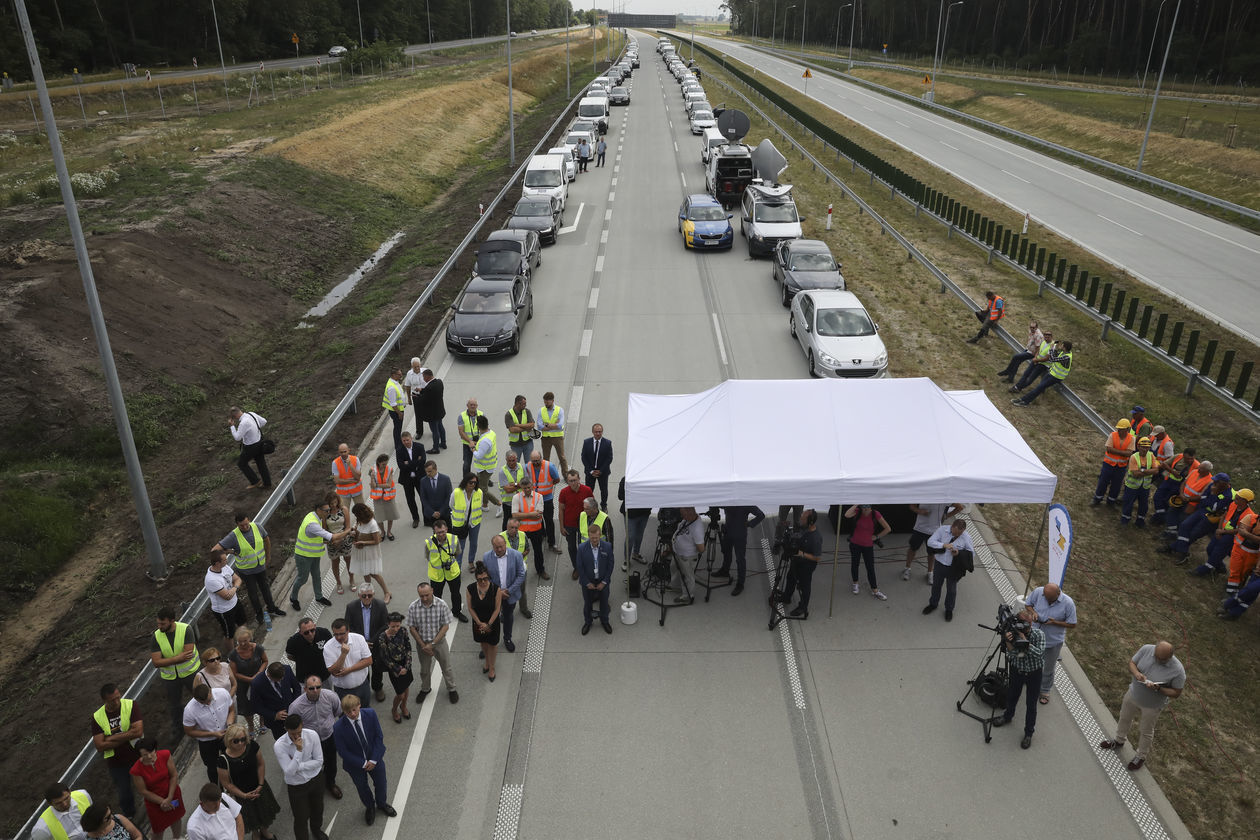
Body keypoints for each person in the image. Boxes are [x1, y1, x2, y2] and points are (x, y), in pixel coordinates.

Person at [1099, 641, 1187, 771]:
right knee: (1124, 718)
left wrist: (1159, 689)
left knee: (1145, 731)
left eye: (1161, 659)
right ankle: (1119, 740)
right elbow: (1132, 663)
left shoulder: (1178, 670)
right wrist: (1137, 674)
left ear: (1170, 657)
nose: (1157, 660)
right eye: (1156, 656)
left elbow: (1176, 692)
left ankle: (1141, 756)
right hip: (1133, 694)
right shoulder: (1147, 649)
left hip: (1152, 705)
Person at [332, 695, 397, 825]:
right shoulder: (338, 727)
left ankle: (382, 804)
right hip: (355, 765)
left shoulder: (371, 714)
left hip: (374, 758)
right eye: (348, 712)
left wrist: (373, 760)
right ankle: (370, 807)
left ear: (359, 705)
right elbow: (343, 751)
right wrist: (362, 763)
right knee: (362, 787)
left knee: (381, 783)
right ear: (344, 711)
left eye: (354, 710)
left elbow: (379, 737)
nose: (352, 714)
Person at [214, 512, 286, 627]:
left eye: (246, 524)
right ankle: (259, 614)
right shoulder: (233, 536)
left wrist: (268, 556)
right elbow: (215, 550)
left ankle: (272, 608)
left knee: (265, 588)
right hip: (246, 571)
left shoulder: (257, 527)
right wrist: (231, 552)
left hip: (260, 566)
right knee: (253, 593)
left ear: (249, 520)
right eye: (241, 525)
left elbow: (266, 539)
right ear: (237, 524)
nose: (245, 527)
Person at [989, 606, 1046, 749]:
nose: (1020, 627)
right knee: (1012, 696)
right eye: (1019, 622)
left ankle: (1028, 733)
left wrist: (1024, 641)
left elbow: (1039, 653)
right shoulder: (1013, 633)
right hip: (1017, 671)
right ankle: (1008, 716)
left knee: (1031, 705)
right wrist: (1008, 641)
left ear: (1030, 623)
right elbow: (1012, 655)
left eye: (1024, 624)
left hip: (1034, 674)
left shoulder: (1039, 635)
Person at [216, 724, 280, 840]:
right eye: (236, 741)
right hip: (241, 795)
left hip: (259, 787)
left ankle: (264, 831)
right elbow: (226, 783)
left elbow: (260, 764)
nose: (240, 743)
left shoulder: (252, 746)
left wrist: (260, 784)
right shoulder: (222, 761)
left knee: (264, 811)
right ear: (229, 741)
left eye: (243, 739)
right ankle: (256, 833)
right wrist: (244, 795)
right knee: (251, 818)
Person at [91, 683, 143, 819]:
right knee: (124, 792)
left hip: (137, 754)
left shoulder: (130, 705)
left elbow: (138, 731)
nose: (116, 702)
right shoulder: (97, 717)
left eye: (118, 697)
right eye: (112, 700)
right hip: (117, 762)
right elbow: (100, 746)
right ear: (104, 701)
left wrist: (111, 738)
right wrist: (127, 734)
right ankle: (130, 816)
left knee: (148, 782)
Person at [273, 715, 330, 840]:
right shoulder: (279, 745)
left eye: (299, 732)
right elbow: (289, 772)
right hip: (296, 786)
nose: (297, 736)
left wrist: (298, 765)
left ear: (302, 725)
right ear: (286, 729)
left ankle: (316, 830)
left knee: (318, 809)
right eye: (293, 733)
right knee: (301, 817)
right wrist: (298, 751)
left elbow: (319, 761)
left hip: (316, 779)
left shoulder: (312, 735)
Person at [285, 677, 342, 800]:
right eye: (311, 688)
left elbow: (337, 711)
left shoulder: (330, 696)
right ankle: (316, 787)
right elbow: (293, 726)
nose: (315, 690)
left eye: (318, 687)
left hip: (329, 736)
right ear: (305, 689)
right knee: (313, 765)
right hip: (310, 742)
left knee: (331, 762)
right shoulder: (296, 706)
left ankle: (330, 784)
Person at [150, 606, 202, 736]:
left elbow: (188, 654)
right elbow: (156, 662)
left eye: (163, 623)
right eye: (158, 623)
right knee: (175, 705)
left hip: (190, 673)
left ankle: (205, 720)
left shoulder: (185, 629)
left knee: (200, 695)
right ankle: (180, 730)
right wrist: (178, 658)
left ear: (172, 621)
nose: (159, 626)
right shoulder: (156, 637)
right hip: (170, 678)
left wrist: (167, 660)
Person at [290, 497, 350, 611]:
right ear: (319, 510)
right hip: (303, 556)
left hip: (313, 554)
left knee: (317, 575)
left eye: (328, 510)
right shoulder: (312, 524)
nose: (328, 512)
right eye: (326, 511)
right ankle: (293, 598)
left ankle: (319, 597)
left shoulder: (314, 516)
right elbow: (332, 537)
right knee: (302, 578)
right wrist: (348, 531)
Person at [406, 581, 459, 706]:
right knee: (424, 670)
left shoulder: (441, 604)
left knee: (446, 667)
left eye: (426, 595)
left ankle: (452, 689)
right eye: (421, 596)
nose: (424, 598)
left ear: (432, 592)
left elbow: (445, 626)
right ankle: (425, 688)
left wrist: (433, 643)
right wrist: (423, 645)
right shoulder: (413, 607)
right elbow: (412, 628)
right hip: (422, 644)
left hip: (439, 643)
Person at [1025, 583, 1077, 703]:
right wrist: (1033, 613)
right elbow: (1028, 604)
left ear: (1058, 594)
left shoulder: (1068, 603)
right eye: (1045, 597)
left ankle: (1044, 690)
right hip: (1034, 636)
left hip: (1052, 641)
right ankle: (1028, 680)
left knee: (1048, 668)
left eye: (1050, 598)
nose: (1047, 600)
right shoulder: (1039, 592)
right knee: (1030, 661)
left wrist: (1055, 622)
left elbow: (1072, 624)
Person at [129, 738, 185, 840]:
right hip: (154, 802)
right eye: (145, 755)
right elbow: (143, 791)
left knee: (176, 818)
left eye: (151, 752)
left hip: (172, 794)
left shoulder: (165, 755)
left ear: (155, 749)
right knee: (158, 829)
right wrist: (162, 802)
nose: (149, 756)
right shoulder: (136, 770)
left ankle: (177, 838)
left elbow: (173, 776)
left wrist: (169, 798)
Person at [922, 518, 975, 621]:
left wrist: (958, 553)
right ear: (952, 527)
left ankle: (949, 610)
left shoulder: (966, 537)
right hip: (939, 564)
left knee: (951, 590)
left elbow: (971, 554)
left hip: (953, 568)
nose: (956, 536)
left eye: (959, 534)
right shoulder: (942, 530)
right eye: (955, 533)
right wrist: (943, 545)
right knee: (936, 585)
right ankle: (933, 604)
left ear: (963, 530)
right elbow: (930, 542)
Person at [1194, 488, 1254, 579]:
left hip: (1231, 537)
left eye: (1237, 498)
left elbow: (1239, 530)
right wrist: (1219, 529)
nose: (1235, 498)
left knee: (1217, 553)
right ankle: (1220, 567)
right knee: (1210, 549)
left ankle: (1204, 570)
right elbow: (1223, 516)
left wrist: (1223, 531)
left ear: (1244, 501)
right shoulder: (1233, 504)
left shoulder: (1249, 515)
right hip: (1222, 531)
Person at [184, 681, 236, 783]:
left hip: (226, 735)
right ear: (196, 699)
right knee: (212, 768)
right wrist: (212, 734)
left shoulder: (222, 693)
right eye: (203, 703)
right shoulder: (189, 710)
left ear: (211, 691)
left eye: (209, 700)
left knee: (233, 760)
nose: (208, 703)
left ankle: (236, 782)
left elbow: (231, 710)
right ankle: (219, 792)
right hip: (207, 742)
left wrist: (229, 725)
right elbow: (189, 731)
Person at [345, 583, 389, 703]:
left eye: (369, 595)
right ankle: (365, 689)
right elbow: (348, 626)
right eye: (364, 596)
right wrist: (362, 641)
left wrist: (372, 640)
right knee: (362, 668)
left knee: (377, 668)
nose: (367, 598)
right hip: (358, 644)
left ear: (373, 594)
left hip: (375, 644)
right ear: (359, 595)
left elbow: (385, 625)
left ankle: (377, 687)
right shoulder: (351, 607)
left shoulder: (380, 605)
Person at [483, 535, 527, 653]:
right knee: (491, 619)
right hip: (493, 595)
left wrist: (508, 591)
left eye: (501, 547)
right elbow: (485, 577)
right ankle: (488, 642)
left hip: (509, 595)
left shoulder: (516, 555)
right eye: (496, 547)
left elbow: (521, 575)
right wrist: (497, 592)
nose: (499, 550)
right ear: (492, 546)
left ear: (505, 545)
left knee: (508, 617)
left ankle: (507, 639)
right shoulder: (487, 557)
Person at [903, 502, 965, 583]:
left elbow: (960, 507)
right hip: (919, 528)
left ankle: (930, 572)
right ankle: (907, 568)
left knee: (932, 553)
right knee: (912, 549)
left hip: (934, 531)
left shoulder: (943, 498)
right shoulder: (924, 493)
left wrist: (946, 516)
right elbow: (912, 506)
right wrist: (919, 511)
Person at [777, 509, 823, 618]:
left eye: (803, 518)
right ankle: (786, 597)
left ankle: (803, 607)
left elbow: (817, 557)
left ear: (810, 522)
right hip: (796, 561)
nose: (800, 519)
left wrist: (802, 554)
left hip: (806, 566)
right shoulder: (804, 528)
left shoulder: (816, 538)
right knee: (790, 578)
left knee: (804, 587)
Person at [466, 560, 507, 679]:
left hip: (492, 622)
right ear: (476, 579)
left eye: (485, 578)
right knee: (483, 642)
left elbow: (497, 609)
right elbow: (470, 608)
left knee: (493, 644)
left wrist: (488, 624)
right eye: (479, 579)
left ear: (488, 577)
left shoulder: (495, 589)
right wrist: (479, 623)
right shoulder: (470, 589)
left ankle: (492, 667)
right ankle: (487, 662)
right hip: (478, 621)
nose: (483, 581)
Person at [714, 505, 765, 596]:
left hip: (739, 535)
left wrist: (749, 524)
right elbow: (718, 504)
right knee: (726, 553)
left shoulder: (746, 503)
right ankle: (725, 570)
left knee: (740, 559)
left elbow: (761, 515)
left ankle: (740, 583)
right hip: (728, 531)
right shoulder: (728, 500)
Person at [425, 518, 469, 622]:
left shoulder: (454, 538)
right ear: (434, 532)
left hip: (452, 572)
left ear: (447, 529)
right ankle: (438, 614)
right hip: (437, 574)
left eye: (443, 532)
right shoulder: (429, 542)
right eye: (438, 532)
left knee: (456, 593)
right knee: (436, 597)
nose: (441, 534)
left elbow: (458, 552)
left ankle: (457, 611)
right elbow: (428, 557)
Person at [844, 505, 890, 599]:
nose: (865, 509)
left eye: (867, 507)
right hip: (855, 543)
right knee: (855, 564)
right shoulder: (857, 511)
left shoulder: (875, 514)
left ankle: (875, 589)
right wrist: (857, 503)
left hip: (868, 545)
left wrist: (877, 537)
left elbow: (888, 528)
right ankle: (855, 583)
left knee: (870, 567)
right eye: (863, 506)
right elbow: (847, 515)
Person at [324, 618, 373, 708]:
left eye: (342, 634)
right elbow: (333, 671)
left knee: (365, 709)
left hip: (363, 686)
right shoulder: (328, 647)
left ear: (348, 631)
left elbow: (368, 660)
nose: (338, 637)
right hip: (343, 691)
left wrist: (349, 670)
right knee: (346, 714)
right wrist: (343, 654)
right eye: (336, 634)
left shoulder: (359, 639)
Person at [374, 612, 413, 722]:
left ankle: (403, 706)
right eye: (393, 626)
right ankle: (394, 710)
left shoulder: (403, 631)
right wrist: (398, 669)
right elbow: (385, 657)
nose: (396, 629)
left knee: (406, 686)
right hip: (394, 667)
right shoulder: (382, 637)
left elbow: (408, 648)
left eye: (398, 626)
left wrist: (407, 665)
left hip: (405, 663)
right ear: (388, 624)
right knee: (400, 694)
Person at [577, 524, 615, 635]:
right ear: (589, 536)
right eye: (592, 538)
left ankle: (605, 621)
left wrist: (604, 582)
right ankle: (588, 622)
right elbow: (580, 567)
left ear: (600, 536)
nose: (594, 540)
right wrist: (586, 582)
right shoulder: (581, 548)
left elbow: (610, 565)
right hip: (588, 582)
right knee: (587, 603)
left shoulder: (607, 546)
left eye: (596, 538)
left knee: (604, 602)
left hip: (603, 581)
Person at [350, 503, 391, 604]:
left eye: (356, 514)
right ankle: (368, 593)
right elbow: (356, 529)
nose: (355, 517)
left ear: (361, 514)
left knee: (374, 573)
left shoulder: (372, 524)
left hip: (370, 553)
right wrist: (353, 533)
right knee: (365, 572)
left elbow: (377, 540)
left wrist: (363, 542)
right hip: (361, 551)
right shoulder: (359, 520)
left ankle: (387, 593)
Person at [1011, 340, 1072, 406]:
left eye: (1062, 345)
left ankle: (1024, 401)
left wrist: (1051, 348)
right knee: (1039, 388)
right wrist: (1054, 348)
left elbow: (1052, 359)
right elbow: (1054, 356)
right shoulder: (1063, 353)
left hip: (1056, 377)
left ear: (1064, 347)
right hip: (1051, 374)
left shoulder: (1067, 357)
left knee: (1039, 388)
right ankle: (1025, 401)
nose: (1060, 346)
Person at [205, 548, 247, 642]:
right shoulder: (211, 579)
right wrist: (235, 587)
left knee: (242, 623)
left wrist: (234, 588)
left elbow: (238, 579)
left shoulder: (225, 567)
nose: (227, 561)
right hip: (224, 611)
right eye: (224, 560)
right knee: (229, 634)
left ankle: (245, 641)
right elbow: (227, 596)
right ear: (217, 563)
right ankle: (231, 654)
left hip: (235, 602)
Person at [251, 662, 301, 741]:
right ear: (269, 675)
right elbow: (256, 706)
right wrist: (274, 715)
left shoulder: (287, 669)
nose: (281, 680)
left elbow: (297, 688)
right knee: (283, 743)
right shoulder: (257, 683)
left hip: (294, 715)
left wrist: (294, 705)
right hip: (277, 723)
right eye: (278, 679)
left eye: (282, 678)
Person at [526, 451, 563, 555]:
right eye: (533, 461)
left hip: (547, 498)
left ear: (541, 458)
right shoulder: (528, 466)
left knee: (549, 521)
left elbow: (556, 479)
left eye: (537, 461)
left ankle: (552, 543)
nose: (536, 463)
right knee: (538, 518)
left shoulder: (549, 466)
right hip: (534, 498)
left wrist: (547, 488)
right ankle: (542, 534)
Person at [227, 627, 267, 727]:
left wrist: (258, 674)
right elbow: (234, 673)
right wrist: (250, 679)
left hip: (259, 681)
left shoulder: (258, 648)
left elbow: (265, 661)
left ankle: (262, 723)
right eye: (240, 642)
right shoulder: (233, 655)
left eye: (245, 641)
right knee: (246, 708)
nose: (243, 644)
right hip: (243, 685)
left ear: (250, 638)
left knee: (262, 702)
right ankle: (251, 725)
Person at [1092, 419, 1136, 507]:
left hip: (1121, 467)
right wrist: (1123, 452)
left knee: (1116, 486)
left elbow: (1129, 453)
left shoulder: (1132, 438)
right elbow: (1109, 449)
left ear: (1127, 429)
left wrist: (1116, 451)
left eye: (1121, 429)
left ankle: (1111, 502)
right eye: (1118, 429)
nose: (1119, 431)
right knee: (1103, 483)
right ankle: (1097, 499)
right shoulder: (1112, 435)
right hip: (1108, 464)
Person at [559, 470, 596, 573]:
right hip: (569, 525)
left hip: (583, 525)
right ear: (567, 481)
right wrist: (561, 527)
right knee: (571, 548)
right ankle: (577, 568)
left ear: (579, 479)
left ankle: (585, 565)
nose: (573, 483)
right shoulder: (563, 492)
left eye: (575, 480)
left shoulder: (587, 490)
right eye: (570, 481)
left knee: (583, 547)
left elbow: (593, 508)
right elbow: (561, 510)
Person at [513, 479, 550, 579]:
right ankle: (518, 572)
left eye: (529, 487)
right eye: (525, 488)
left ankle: (540, 570)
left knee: (538, 551)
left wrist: (522, 515)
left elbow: (538, 515)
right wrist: (530, 514)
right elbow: (515, 515)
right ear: (521, 487)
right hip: (521, 531)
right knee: (519, 552)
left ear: (532, 486)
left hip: (536, 529)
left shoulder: (539, 497)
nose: (527, 490)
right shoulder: (516, 497)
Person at [669, 507, 707, 606]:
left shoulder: (697, 528)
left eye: (683, 514)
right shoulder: (688, 519)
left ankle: (687, 596)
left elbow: (701, 548)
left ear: (690, 513)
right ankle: (677, 587)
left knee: (687, 577)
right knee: (674, 569)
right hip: (678, 553)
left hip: (687, 557)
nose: (682, 516)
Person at [1119, 436, 1160, 525]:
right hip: (1132, 486)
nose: (1145, 449)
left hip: (1145, 487)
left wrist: (1142, 470)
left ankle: (1140, 521)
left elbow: (1156, 471)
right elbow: (1135, 474)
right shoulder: (1134, 457)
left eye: (1147, 447)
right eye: (1143, 447)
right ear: (1138, 447)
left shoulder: (1151, 456)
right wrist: (1149, 471)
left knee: (1143, 506)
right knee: (1128, 504)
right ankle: (1125, 520)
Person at [229, 407, 271, 490]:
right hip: (260, 442)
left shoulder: (243, 423)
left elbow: (237, 438)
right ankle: (267, 483)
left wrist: (232, 426)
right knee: (261, 464)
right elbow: (264, 421)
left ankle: (255, 481)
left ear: (235, 416)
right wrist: (254, 430)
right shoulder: (251, 414)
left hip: (250, 447)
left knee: (241, 463)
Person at [500, 518, 534, 619]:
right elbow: (497, 553)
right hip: (507, 570)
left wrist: (521, 555)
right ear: (507, 527)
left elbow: (527, 549)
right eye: (512, 528)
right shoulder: (501, 537)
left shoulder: (523, 535)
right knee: (506, 592)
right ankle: (504, 612)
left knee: (522, 591)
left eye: (516, 528)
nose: (514, 530)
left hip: (521, 569)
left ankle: (523, 609)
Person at [449, 473, 485, 568]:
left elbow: (480, 505)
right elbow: (451, 505)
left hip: (475, 523)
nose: (473, 484)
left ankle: (471, 561)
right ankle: (458, 566)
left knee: (473, 544)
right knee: (460, 546)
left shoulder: (479, 492)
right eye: (470, 482)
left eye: (475, 483)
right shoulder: (456, 492)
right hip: (460, 525)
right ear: (465, 482)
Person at [285, 618, 332, 684]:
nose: (310, 634)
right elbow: (290, 656)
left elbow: (331, 648)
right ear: (300, 632)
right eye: (306, 632)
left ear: (315, 626)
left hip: (324, 674)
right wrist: (302, 660)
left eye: (312, 630)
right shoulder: (293, 642)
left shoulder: (324, 633)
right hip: (305, 677)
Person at [394, 429, 425, 528]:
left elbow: (423, 461)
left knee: (424, 498)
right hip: (407, 479)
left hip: (419, 477)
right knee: (410, 500)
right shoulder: (399, 450)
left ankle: (427, 517)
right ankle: (415, 518)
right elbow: (401, 466)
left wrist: (408, 463)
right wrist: (415, 462)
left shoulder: (420, 447)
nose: (406, 442)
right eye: (404, 441)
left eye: (407, 440)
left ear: (411, 438)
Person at [325, 494, 354, 596]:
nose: (333, 505)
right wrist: (333, 540)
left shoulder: (344, 509)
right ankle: (338, 583)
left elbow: (348, 527)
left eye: (335, 502)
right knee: (335, 562)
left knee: (349, 560)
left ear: (338, 500)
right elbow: (325, 530)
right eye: (331, 503)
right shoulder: (325, 513)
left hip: (345, 539)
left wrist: (341, 538)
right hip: (332, 541)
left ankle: (351, 579)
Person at [581, 423, 614, 510]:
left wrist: (600, 471)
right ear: (592, 432)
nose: (598, 433)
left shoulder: (607, 443)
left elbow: (609, 458)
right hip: (590, 472)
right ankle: (589, 506)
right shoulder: (587, 442)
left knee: (604, 490)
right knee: (589, 490)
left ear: (602, 432)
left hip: (603, 472)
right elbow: (584, 457)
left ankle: (604, 505)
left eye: (600, 432)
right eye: (596, 432)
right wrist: (591, 471)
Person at [472, 415, 502, 507]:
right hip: (488, 466)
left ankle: (498, 503)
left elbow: (479, 455)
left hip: (484, 468)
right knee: (483, 485)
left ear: (478, 426)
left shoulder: (485, 441)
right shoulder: (491, 433)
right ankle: (485, 505)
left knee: (482, 489)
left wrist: (473, 448)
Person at [368, 455, 399, 541]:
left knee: (390, 515)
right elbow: (373, 486)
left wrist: (377, 485)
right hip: (378, 498)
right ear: (379, 462)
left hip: (388, 496)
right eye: (383, 464)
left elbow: (388, 485)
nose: (385, 466)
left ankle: (389, 532)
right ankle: (382, 531)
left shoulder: (389, 470)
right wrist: (372, 477)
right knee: (379, 517)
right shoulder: (372, 471)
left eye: (386, 463)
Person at [537, 391, 569, 473]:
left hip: (557, 437)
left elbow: (560, 425)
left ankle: (565, 474)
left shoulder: (559, 410)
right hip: (545, 438)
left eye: (547, 402)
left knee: (562, 457)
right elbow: (539, 426)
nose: (545, 404)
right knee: (546, 458)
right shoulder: (541, 410)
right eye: (544, 402)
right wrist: (554, 425)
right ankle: (547, 475)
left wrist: (546, 424)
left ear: (552, 400)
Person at [419, 460, 454, 529]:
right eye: (426, 472)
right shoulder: (423, 481)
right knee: (436, 535)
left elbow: (449, 497)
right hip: (432, 515)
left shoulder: (446, 479)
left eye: (429, 471)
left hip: (445, 513)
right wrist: (432, 512)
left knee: (448, 533)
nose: (427, 474)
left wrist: (441, 512)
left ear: (435, 469)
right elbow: (423, 498)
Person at [419, 367, 447, 452]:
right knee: (441, 427)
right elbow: (431, 393)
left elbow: (424, 399)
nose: (423, 379)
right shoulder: (439, 382)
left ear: (428, 376)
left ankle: (435, 448)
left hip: (432, 414)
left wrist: (418, 396)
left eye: (424, 377)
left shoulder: (429, 387)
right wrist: (422, 390)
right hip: (440, 410)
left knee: (435, 430)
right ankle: (443, 443)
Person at [499, 450, 526, 531]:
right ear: (506, 460)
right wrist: (520, 485)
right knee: (507, 522)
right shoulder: (502, 472)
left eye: (513, 460)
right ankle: (504, 537)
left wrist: (514, 484)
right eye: (509, 461)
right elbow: (507, 489)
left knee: (521, 521)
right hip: (508, 503)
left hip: (521, 501)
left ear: (517, 459)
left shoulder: (521, 467)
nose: (511, 463)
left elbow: (527, 482)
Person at [504, 394, 536, 463]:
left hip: (528, 443)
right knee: (515, 465)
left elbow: (532, 424)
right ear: (517, 404)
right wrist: (526, 427)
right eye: (523, 404)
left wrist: (518, 425)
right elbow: (512, 430)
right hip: (515, 445)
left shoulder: (527, 411)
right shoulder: (509, 414)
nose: (525, 405)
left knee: (529, 464)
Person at [458, 398, 486, 476]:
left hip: (480, 443)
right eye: (471, 405)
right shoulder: (462, 416)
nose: (473, 406)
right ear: (467, 406)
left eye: (474, 405)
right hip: (467, 444)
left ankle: (485, 479)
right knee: (466, 464)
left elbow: (485, 429)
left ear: (477, 406)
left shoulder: (481, 414)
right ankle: (466, 480)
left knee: (483, 463)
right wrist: (470, 441)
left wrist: (479, 442)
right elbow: (461, 432)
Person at [402, 358, 428, 441]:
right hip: (416, 396)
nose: (417, 369)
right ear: (411, 366)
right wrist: (409, 398)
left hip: (425, 395)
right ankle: (419, 432)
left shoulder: (426, 371)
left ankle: (434, 429)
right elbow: (408, 386)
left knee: (429, 412)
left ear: (420, 365)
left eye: (418, 366)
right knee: (418, 414)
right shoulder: (409, 374)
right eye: (415, 367)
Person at [381, 368, 407, 439]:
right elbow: (393, 404)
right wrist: (399, 413)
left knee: (398, 428)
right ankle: (398, 446)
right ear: (393, 375)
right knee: (397, 429)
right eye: (399, 374)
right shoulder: (391, 387)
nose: (401, 375)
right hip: (396, 412)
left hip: (398, 410)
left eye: (401, 373)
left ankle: (398, 442)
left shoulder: (394, 382)